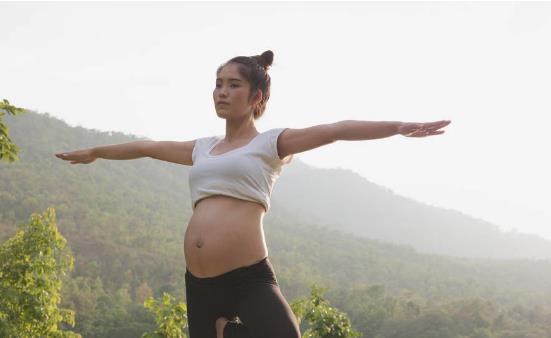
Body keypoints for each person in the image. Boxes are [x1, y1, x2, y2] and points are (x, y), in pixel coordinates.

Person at [55, 50, 451, 338]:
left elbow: (336, 129)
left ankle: (229, 332)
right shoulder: (202, 148)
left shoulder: (271, 144)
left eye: (233, 85)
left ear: (257, 97)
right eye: (218, 84)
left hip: (248, 277)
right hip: (199, 282)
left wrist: (398, 125)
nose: (221, 92)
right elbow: (146, 146)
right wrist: (95, 152)